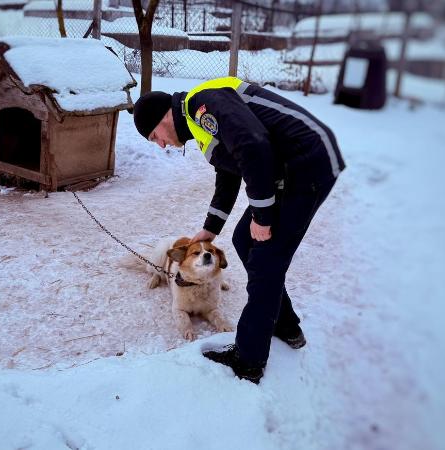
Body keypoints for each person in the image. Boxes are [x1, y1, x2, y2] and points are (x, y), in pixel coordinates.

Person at [132, 77, 345, 384]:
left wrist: (263, 214)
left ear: (165, 116)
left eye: (155, 136)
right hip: (294, 165)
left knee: (265, 259)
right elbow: (229, 173)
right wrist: (210, 228)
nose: (162, 144)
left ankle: (248, 360)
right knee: (243, 238)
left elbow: (253, 145)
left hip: (306, 160)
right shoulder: (199, 124)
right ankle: (285, 325)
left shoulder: (199, 103)